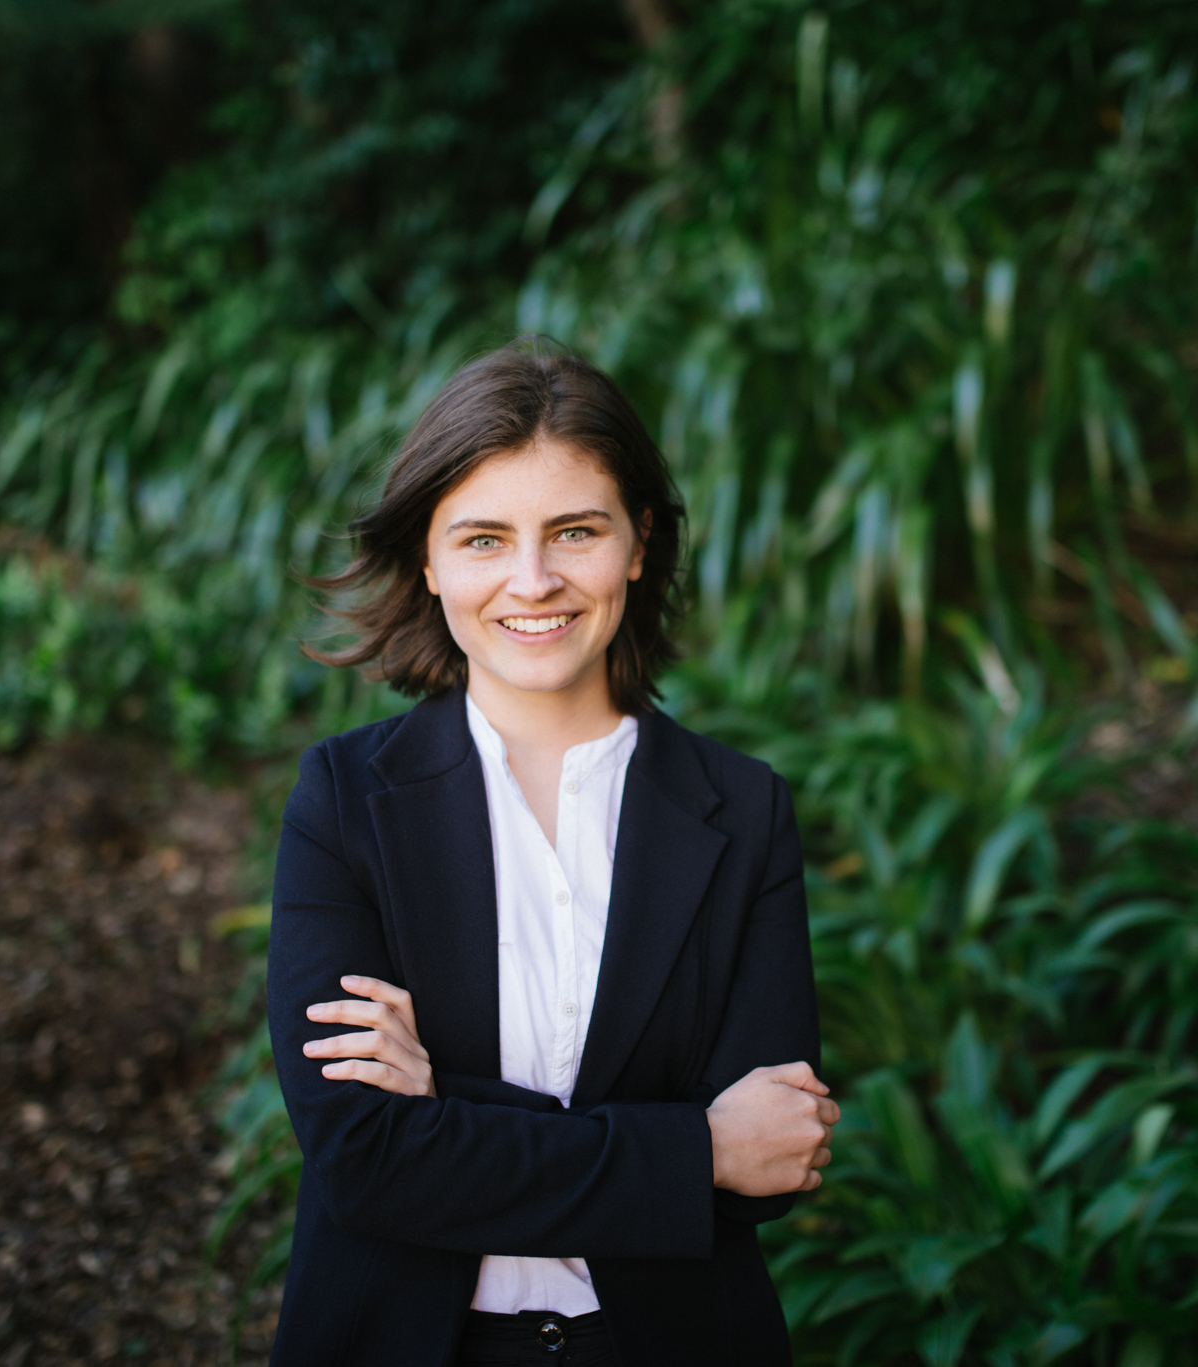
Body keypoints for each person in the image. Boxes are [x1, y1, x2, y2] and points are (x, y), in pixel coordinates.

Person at [266, 340, 835, 1366]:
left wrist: (443, 1106)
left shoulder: (743, 810)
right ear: (428, 560)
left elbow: (774, 1159)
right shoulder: (344, 801)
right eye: (483, 538)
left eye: (573, 530)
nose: (532, 580)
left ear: (637, 542)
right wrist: (694, 1146)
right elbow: (362, 1156)